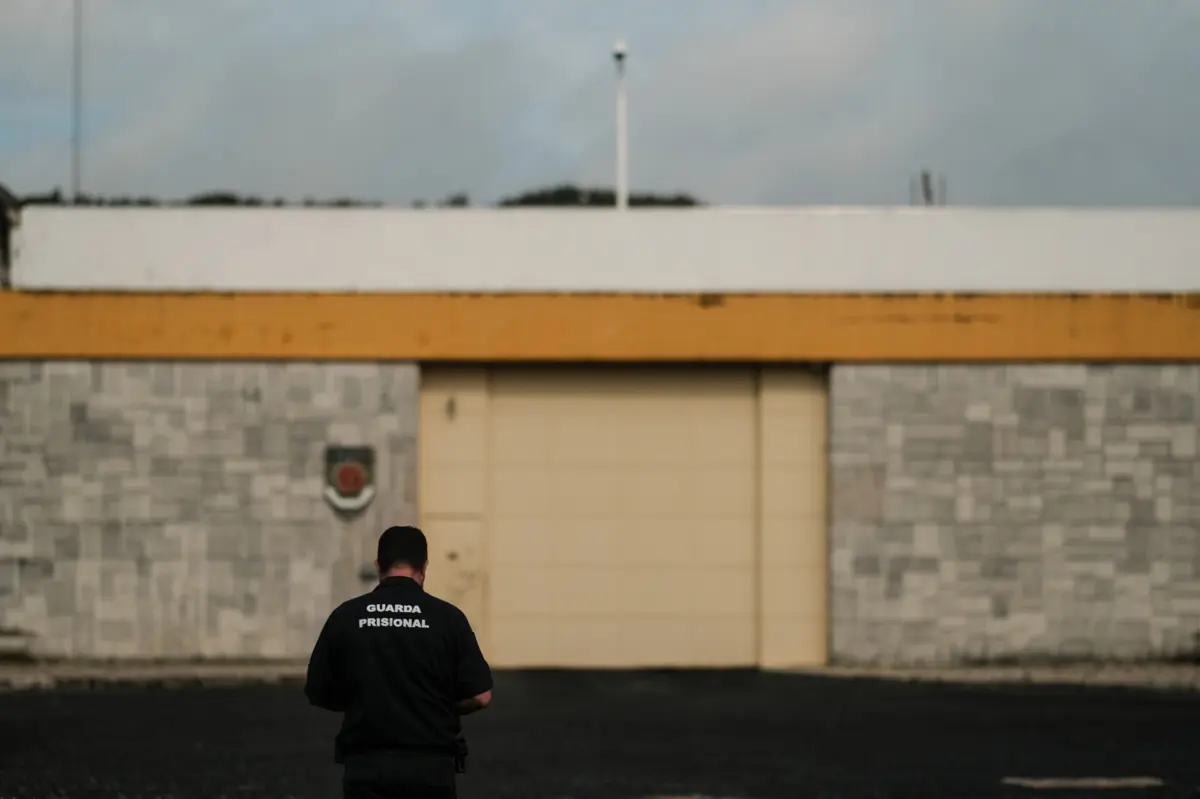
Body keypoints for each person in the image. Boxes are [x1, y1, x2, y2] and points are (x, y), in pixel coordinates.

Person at [305, 525, 494, 799]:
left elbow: (317, 690)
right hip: (430, 768)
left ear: (378, 564)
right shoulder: (448, 618)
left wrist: (365, 701)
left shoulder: (346, 616)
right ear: (424, 566)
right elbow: (482, 695)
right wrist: (438, 707)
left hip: (367, 766)